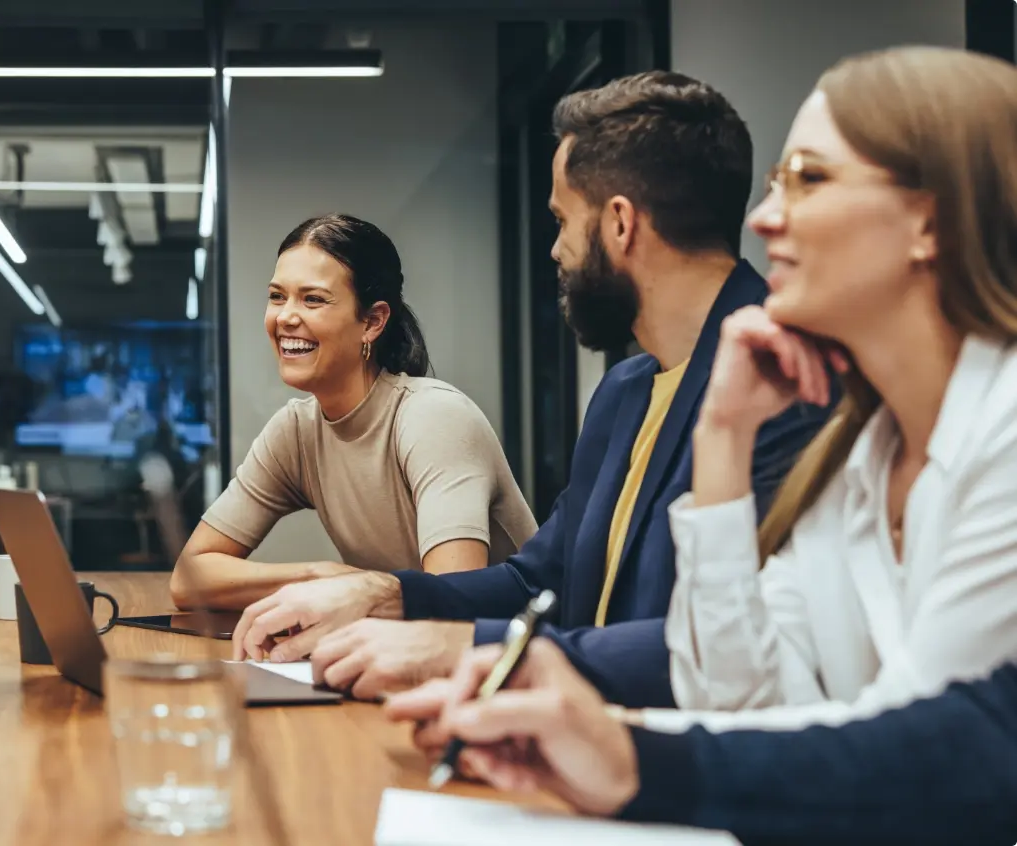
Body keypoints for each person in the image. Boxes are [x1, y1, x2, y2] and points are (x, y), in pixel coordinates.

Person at [231, 71, 831, 705]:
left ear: (619, 225)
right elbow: (539, 579)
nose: (555, 251)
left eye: (562, 220)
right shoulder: (626, 391)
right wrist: (386, 595)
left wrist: (459, 646)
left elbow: (721, 649)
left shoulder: (789, 388)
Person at [631, 45, 1017, 733]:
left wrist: (617, 747)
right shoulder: (860, 456)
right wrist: (722, 434)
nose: (762, 218)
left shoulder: (1006, 432)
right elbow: (732, 704)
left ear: (929, 221)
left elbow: (907, 754)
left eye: (807, 179)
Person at [170, 214, 536, 611]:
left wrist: (354, 590)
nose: (286, 317)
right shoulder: (296, 431)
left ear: (373, 322)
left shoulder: (434, 416)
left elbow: (450, 604)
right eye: (277, 296)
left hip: (514, 658)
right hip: (409, 654)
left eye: (313, 299)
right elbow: (189, 580)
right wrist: (320, 576)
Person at [385, 639, 1017, 846]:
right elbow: (742, 687)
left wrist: (633, 752)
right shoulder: (858, 438)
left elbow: (959, 746)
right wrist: (618, 743)